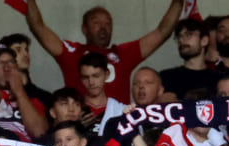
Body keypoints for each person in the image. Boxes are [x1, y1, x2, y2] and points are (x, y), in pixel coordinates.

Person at [24, 0, 186, 104]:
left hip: (117, 127)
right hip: (83, 127)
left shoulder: (122, 54)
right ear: (84, 29)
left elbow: (162, 32)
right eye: (96, 23)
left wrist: (178, 3)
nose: (103, 28)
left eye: (108, 24)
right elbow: (38, 27)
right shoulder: (72, 53)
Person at [160, 18, 217, 100]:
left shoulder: (218, 79)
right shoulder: (166, 78)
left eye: (189, 34)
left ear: (204, 40)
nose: (181, 40)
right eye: (179, 36)